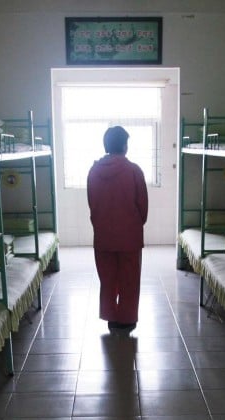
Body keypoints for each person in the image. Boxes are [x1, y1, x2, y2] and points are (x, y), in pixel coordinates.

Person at [86, 125, 148, 335]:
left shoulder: (93, 172)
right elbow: (142, 206)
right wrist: (135, 224)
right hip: (129, 237)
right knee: (129, 279)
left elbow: (92, 204)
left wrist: (101, 224)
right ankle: (127, 320)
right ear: (124, 145)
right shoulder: (133, 171)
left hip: (103, 236)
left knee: (108, 279)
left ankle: (111, 318)